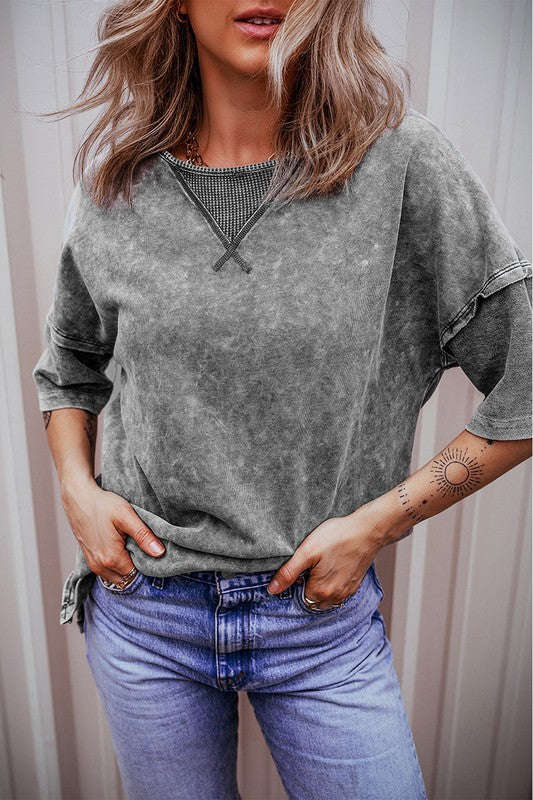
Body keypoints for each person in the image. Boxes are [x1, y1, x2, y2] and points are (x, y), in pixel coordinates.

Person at [32, 1, 532, 798]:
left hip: (317, 627)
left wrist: (380, 521)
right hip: (145, 615)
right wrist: (76, 493)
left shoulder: (401, 164)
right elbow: (70, 366)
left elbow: (526, 383)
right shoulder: (118, 180)